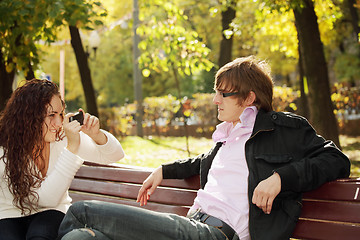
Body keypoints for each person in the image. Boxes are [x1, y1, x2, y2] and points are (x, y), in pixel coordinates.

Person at [57, 56, 350, 240]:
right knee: (82, 236)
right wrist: (163, 169)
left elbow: (336, 159)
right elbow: (201, 160)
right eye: (216, 92)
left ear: (249, 98)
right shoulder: (228, 137)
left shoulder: (282, 129)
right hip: (192, 223)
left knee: (82, 212)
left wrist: (280, 179)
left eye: (224, 93)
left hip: (215, 234)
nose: (215, 100)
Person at [0, 79, 125, 240]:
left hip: (52, 213)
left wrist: (96, 134)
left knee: (40, 236)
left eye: (60, 114)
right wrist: (72, 150)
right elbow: (40, 198)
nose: (58, 123)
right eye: (51, 115)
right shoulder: (6, 147)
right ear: (28, 117)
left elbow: (115, 155)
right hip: (9, 214)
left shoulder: (63, 137)